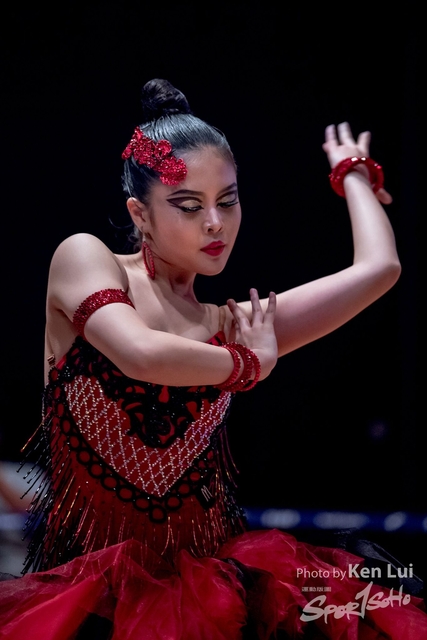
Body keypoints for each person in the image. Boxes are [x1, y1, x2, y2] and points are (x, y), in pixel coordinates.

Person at [0, 78, 425, 640]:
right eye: (188, 205)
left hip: (215, 596)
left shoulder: (236, 325)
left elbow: (380, 270)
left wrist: (353, 174)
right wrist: (250, 365)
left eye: (228, 200)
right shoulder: (85, 259)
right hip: (87, 598)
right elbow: (140, 352)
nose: (215, 223)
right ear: (139, 213)